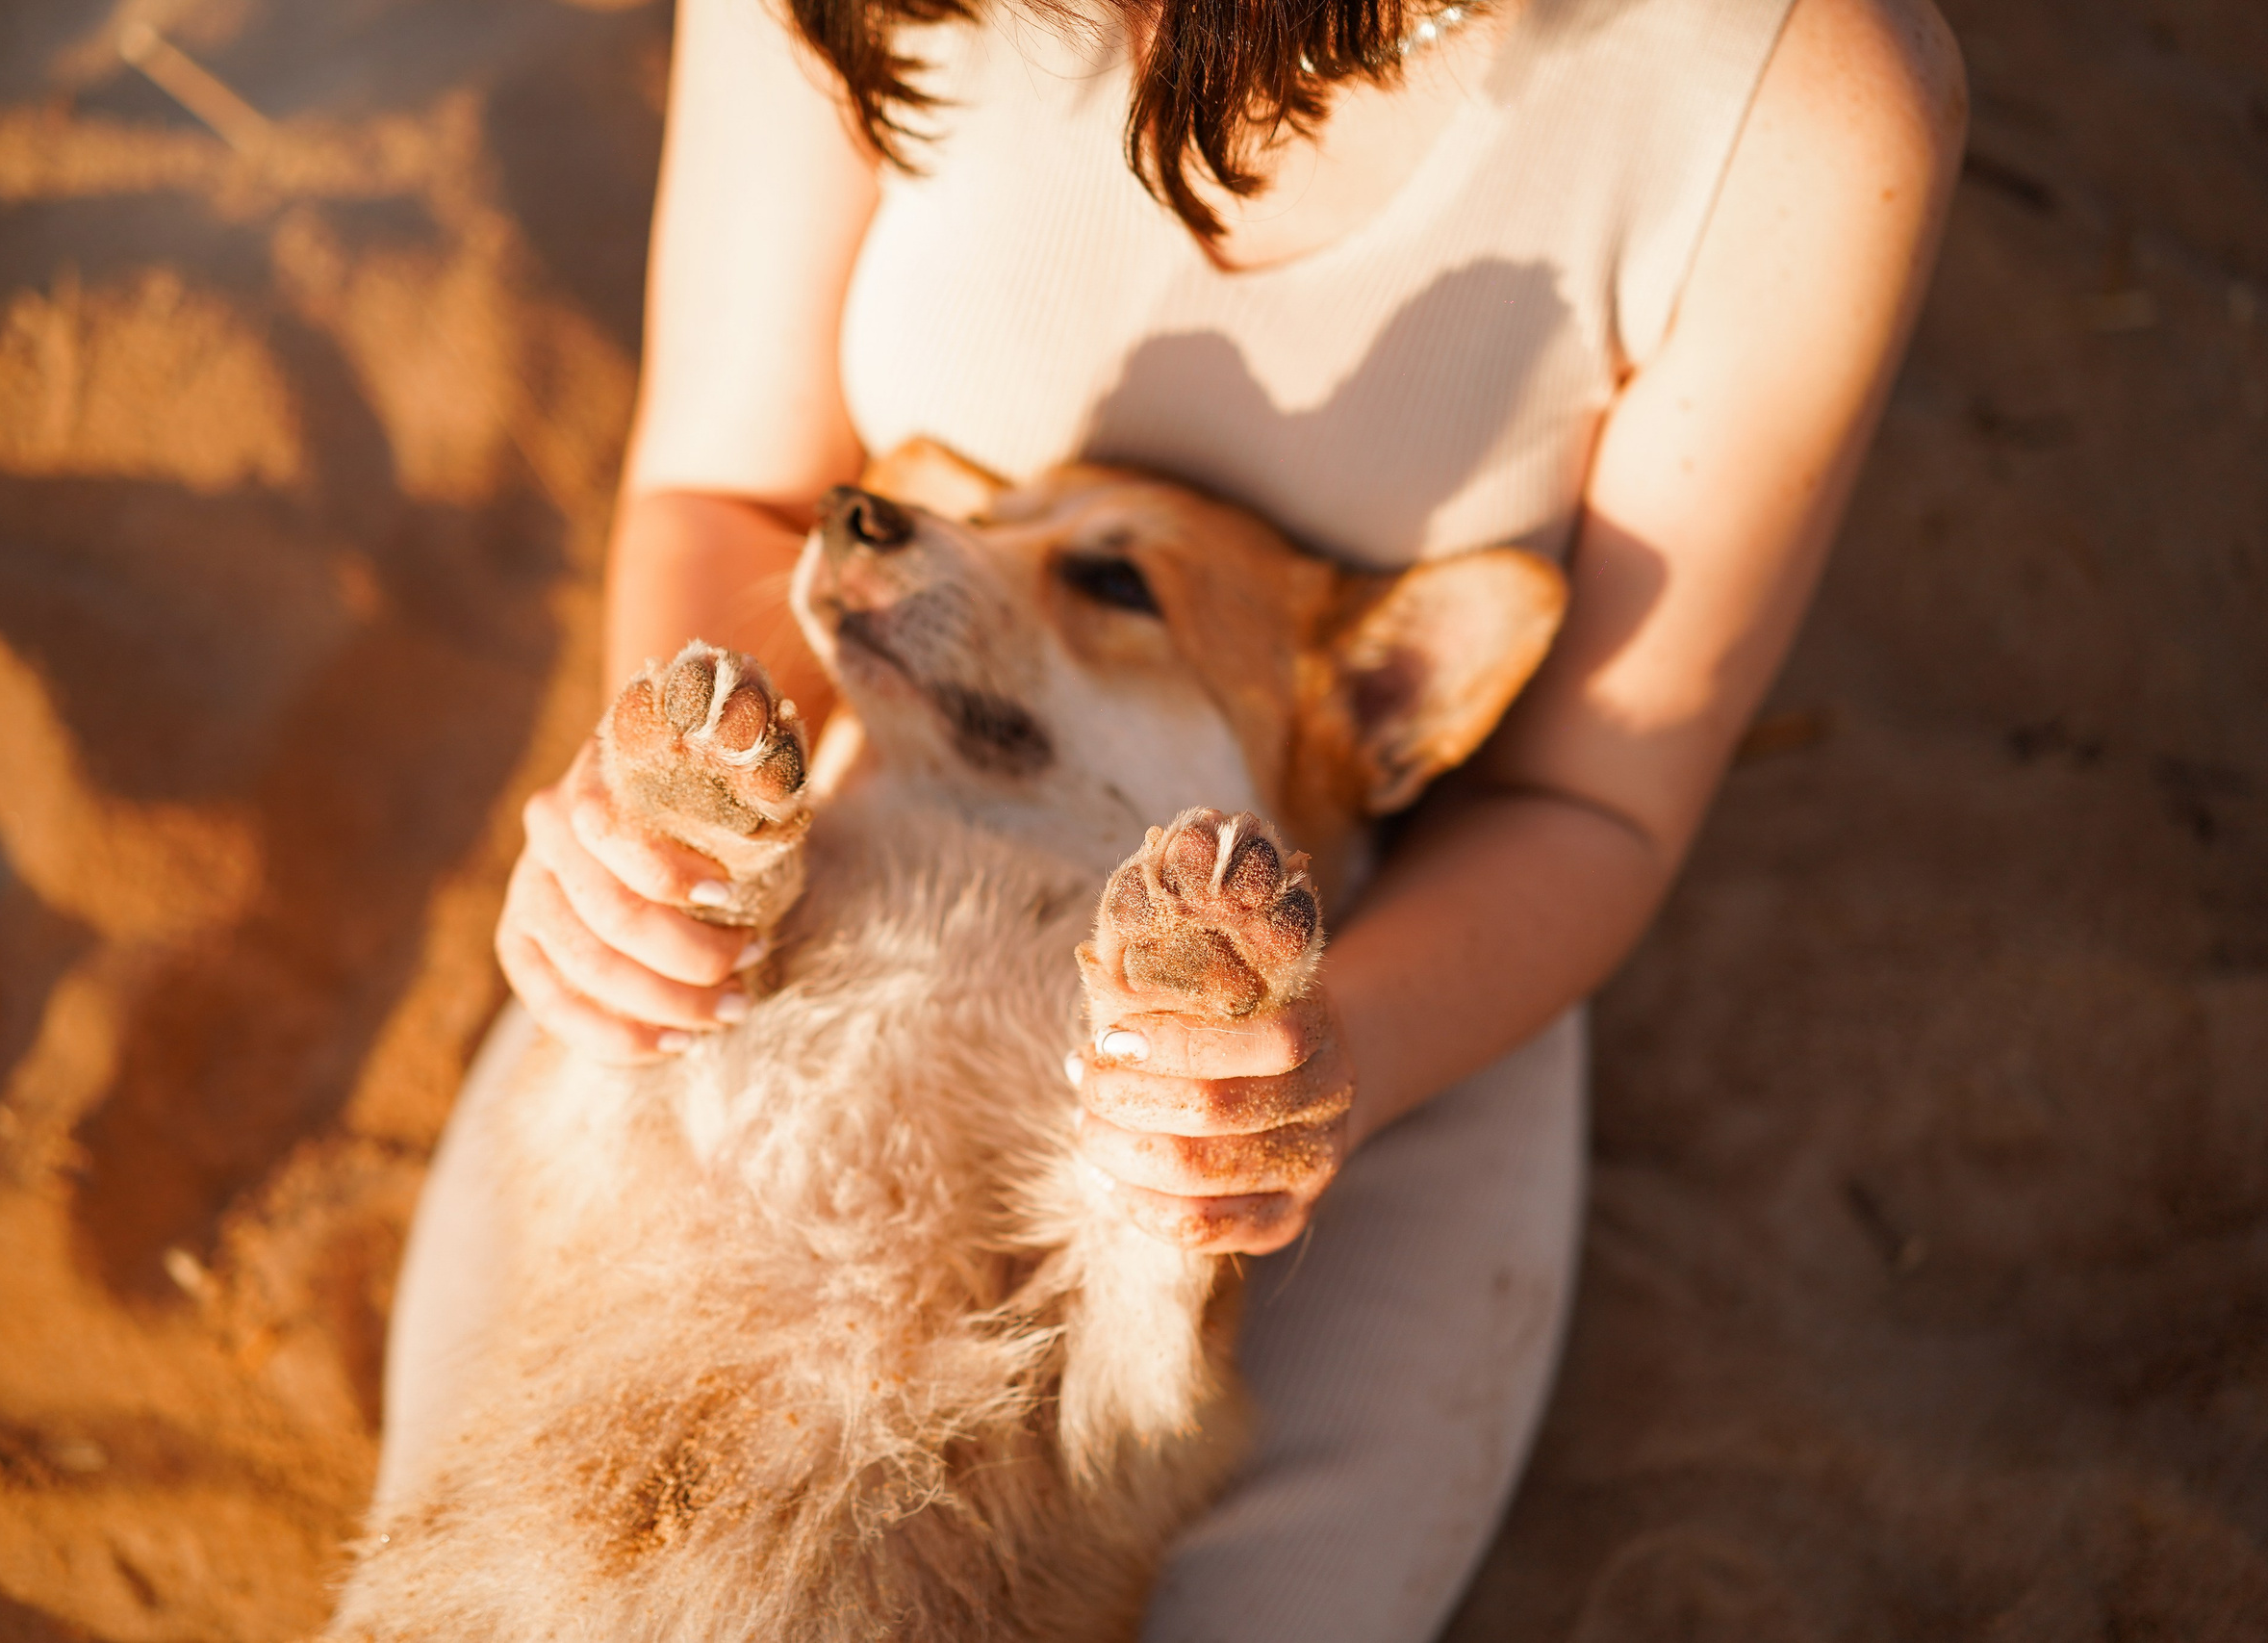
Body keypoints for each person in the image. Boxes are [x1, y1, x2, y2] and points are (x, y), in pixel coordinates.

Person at [379, 0, 1966, 1635]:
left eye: (1107, 581)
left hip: (1392, 1001)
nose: (910, 522)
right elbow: (739, 489)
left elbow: (1587, 798)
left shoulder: (1789, 95)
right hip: (849, 844)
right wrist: (657, 862)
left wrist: (1302, 1071)